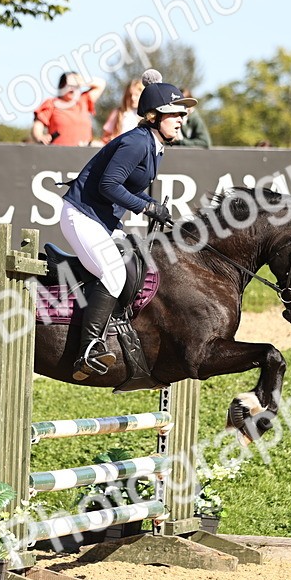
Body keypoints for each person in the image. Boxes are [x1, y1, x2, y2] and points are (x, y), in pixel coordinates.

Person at [60, 69, 194, 380]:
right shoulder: (137, 142)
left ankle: (120, 332)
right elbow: (109, 186)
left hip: (103, 219)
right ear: (153, 115)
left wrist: (153, 207)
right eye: (175, 113)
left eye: (182, 114)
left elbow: (126, 188)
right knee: (114, 271)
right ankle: (89, 348)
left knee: (138, 265)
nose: (181, 118)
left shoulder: (155, 145)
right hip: (82, 215)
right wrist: (147, 206)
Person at [31, 71, 105, 146]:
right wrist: (40, 137)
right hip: (59, 153)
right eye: (69, 85)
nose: (72, 89)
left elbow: (101, 84)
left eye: (75, 86)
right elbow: (38, 126)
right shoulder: (51, 103)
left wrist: (80, 80)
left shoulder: (84, 100)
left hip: (85, 153)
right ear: (61, 86)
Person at [101, 79, 143, 143]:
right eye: (130, 95)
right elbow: (105, 137)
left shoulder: (147, 115)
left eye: (136, 95)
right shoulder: (118, 113)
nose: (132, 98)